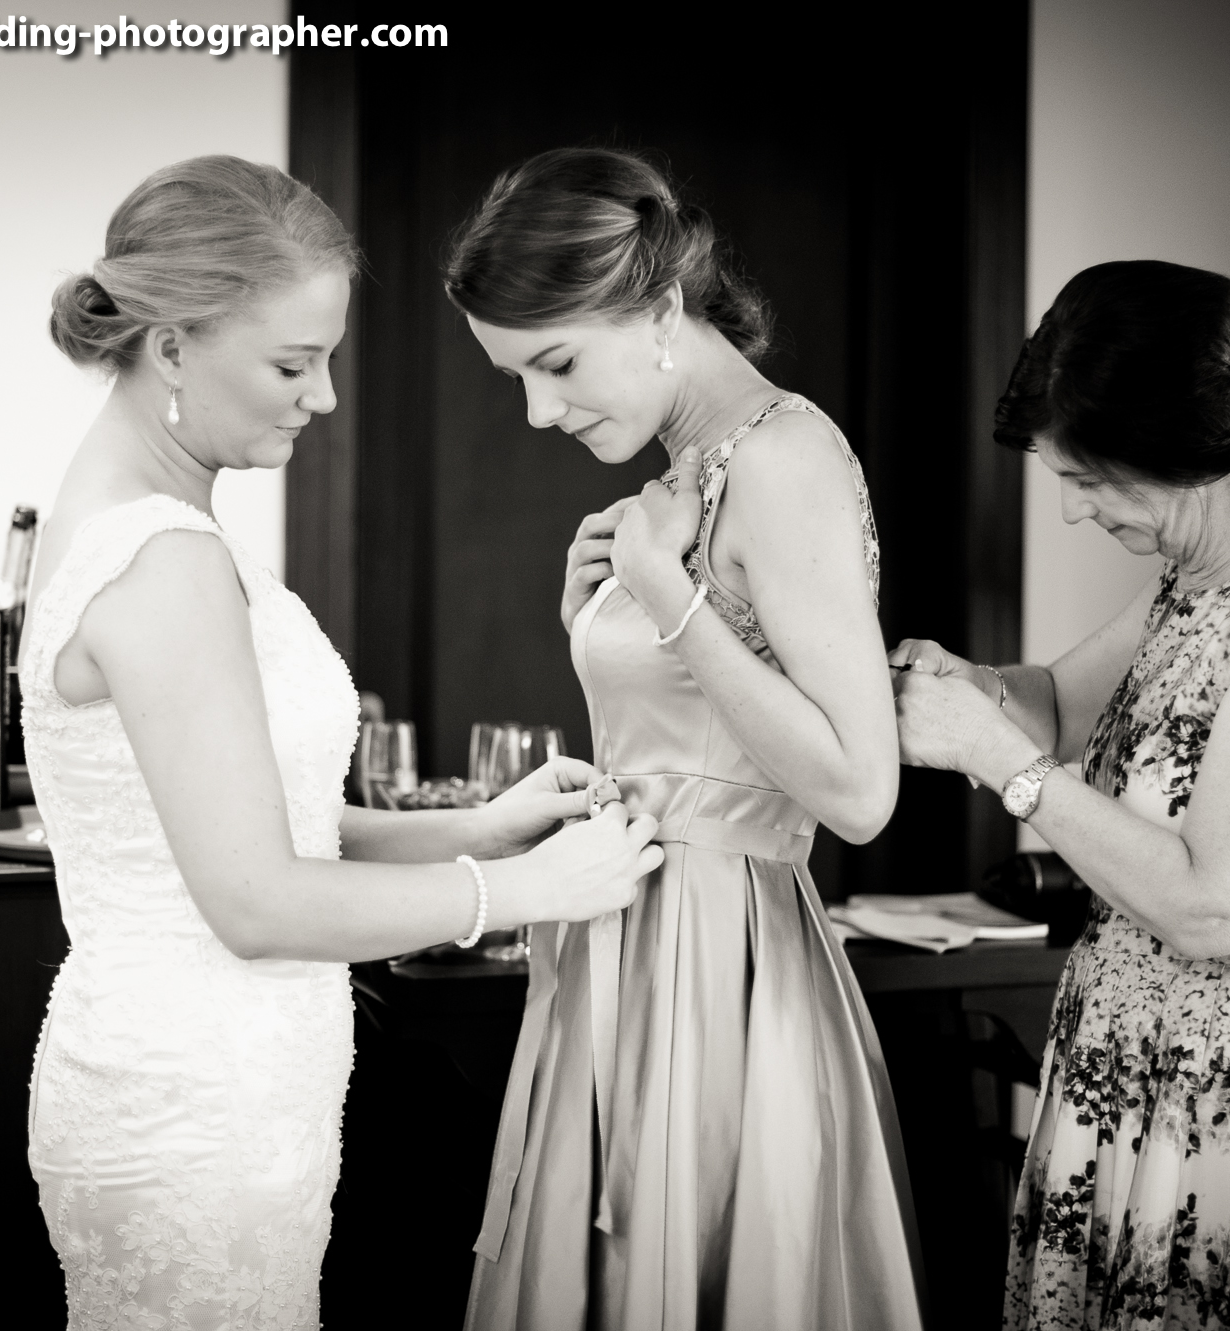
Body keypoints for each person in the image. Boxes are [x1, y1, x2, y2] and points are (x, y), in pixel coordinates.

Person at [26, 155, 661, 1329]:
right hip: (197, 1107)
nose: (321, 396)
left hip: (201, 1081)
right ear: (170, 347)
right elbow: (254, 899)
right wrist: (527, 889)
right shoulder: (164, 562)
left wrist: (477, 827)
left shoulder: (127, 522)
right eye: (291, 362)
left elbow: (240, 823)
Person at [891, 260, 1230, 1327]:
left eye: (1090, 479)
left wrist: (1003, 765)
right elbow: (1059, 703)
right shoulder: (1206, 562)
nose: (1072, 510)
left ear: (1180, 446)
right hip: (1142, 1078)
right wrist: (965, 688)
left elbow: (1214, 902)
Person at [443, 147, 924, 1330]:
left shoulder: (782, 458)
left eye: (556, 363)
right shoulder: (686, 467)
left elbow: (858, 789)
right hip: (626, 939)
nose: (538, 411)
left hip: (715, 962)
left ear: (659, 310)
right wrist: (598, 621)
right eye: (515, 376)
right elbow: (700, 720)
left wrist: (666, 600)